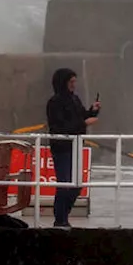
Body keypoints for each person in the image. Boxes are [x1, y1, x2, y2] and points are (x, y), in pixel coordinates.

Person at [44, 68, 99, 229]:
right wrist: (84, 124)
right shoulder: (54, 103)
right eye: (71, 82)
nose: (74, 85)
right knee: (65, 184)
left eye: (75, 81)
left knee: (76, 186)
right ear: (63, 83)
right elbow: (59, 127)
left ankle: (64, 217)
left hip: (76, 147)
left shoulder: (75, 99)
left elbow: (82, 116)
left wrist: (93, 111)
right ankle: (60, 220)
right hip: (62, 148)